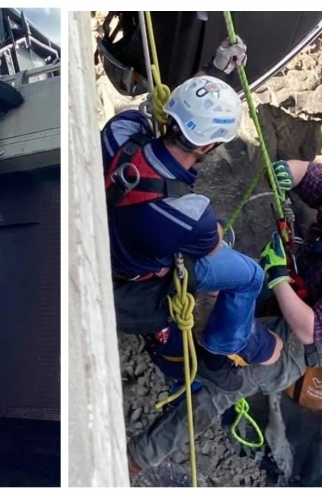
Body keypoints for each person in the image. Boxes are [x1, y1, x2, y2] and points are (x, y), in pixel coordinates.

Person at [126, 162, 322, 474]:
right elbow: (308, 174)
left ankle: (136, 458)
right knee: (221, 286)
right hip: (292, 290)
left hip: (305, 339)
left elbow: (310, 329)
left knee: (221, 389)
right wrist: (285, 170)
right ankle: (153, 315)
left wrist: (278, 276)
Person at [101, 35, 277, 399]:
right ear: (209, 146)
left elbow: (157, 114)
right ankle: (219, 348)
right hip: (138, 276)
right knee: (250, 276)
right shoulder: (190, 213)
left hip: (113, 243)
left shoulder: (118, 133)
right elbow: (210, 244)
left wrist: (213, 74)